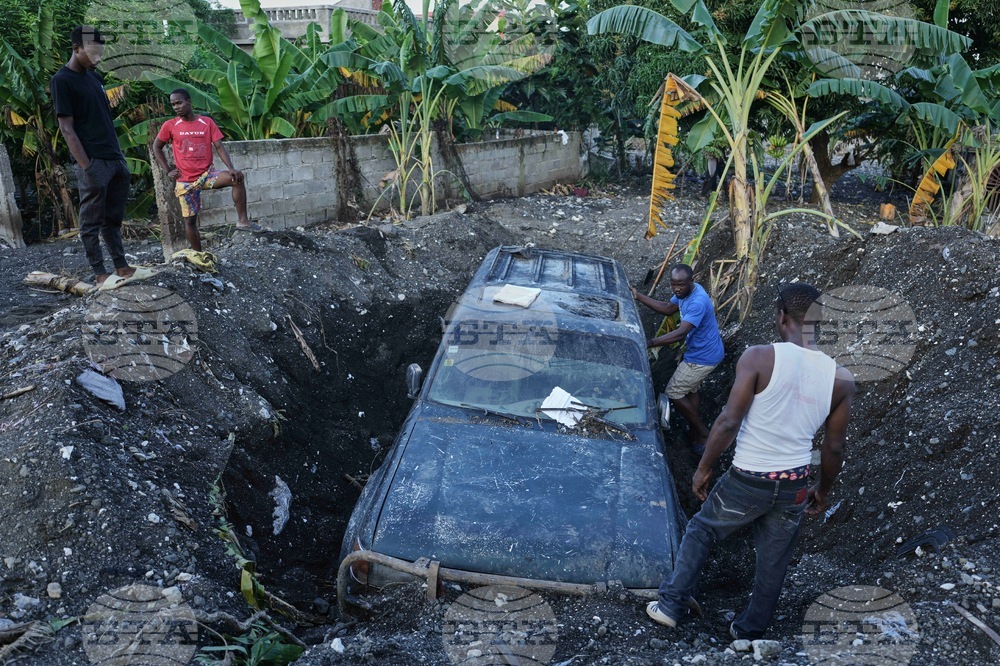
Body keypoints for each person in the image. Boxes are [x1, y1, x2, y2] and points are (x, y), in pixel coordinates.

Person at [644, 283, 856, 641]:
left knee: (702, 530)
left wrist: (704, 467)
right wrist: (822, 489)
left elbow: (729, 420)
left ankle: (670, 606)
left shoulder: (759, 358)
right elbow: (834, 448)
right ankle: (750, 631)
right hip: (794, 485)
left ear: (781, 317)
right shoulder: (841, 378)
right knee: (774, 560)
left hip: (748, 479)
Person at [51, 26, 141, 289]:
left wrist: (119, 157)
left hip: (114, 159)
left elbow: (104, 121)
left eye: (101, 54)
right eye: (93, 53)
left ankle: (121, 266)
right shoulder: (62, 80)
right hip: (93, 161)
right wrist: (87, 166)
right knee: (91, 221)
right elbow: (67, 128)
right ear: (76, 48)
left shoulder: (96, 78)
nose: (98, 59)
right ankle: (100, 272)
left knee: (113, 218)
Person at [152, 88, 260, 251]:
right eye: (173, 104)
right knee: (190, 221)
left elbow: (219, 146)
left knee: (237, 179)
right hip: (186, 181)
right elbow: (157, 146)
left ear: (189, 102)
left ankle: (243, 221)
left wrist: (231, 167)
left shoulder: (206, 122)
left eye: (179, 103)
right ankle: (199, 254)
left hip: (207, 175)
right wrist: (167, 170)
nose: (176, 107)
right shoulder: (171, 125)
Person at [632, 265, 725, 453]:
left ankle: (703, 433)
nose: (677, 289)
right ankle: (693, 428)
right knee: (690, 390)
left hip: (702, 357)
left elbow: (681, 333)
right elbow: (668, 308)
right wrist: (638, 296)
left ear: (691, 281)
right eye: (674, 285)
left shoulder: (698, 301)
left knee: (674, 391)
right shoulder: (686, 293)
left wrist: (649, 342)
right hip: (702, 352)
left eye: (681, 285)